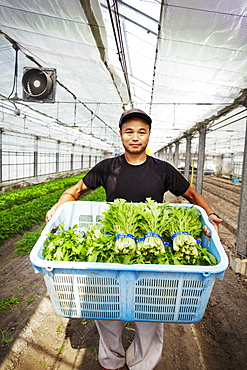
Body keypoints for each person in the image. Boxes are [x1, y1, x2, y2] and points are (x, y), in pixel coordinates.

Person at [46, 108, 222, 370]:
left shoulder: (163, 170)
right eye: (130, 132)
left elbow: (193, 195)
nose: (135, 137)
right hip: (113, 247)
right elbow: (76, 190)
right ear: (121, 135)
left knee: (151, 310)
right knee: (106, 308)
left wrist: (211, 214)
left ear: (149, 136)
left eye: (142, 131)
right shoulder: (108, 167)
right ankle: (111, 361)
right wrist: (58, 207)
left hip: (153, 252)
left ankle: (142, 363)